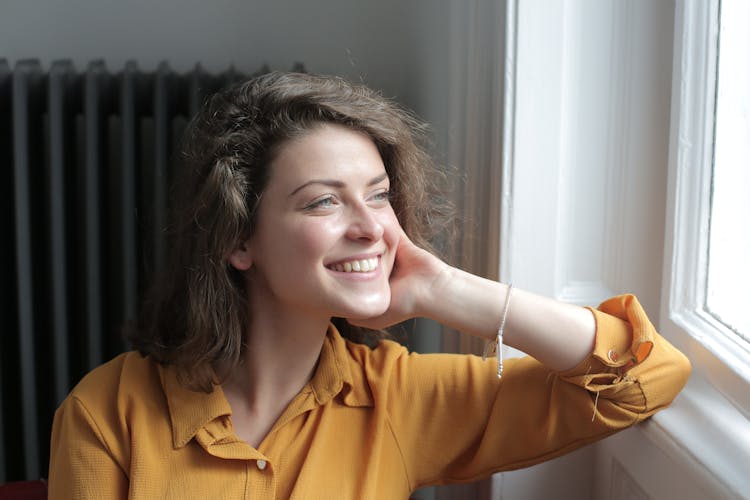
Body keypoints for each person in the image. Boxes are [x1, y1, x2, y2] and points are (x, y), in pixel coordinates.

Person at [48, 72, 691, 499]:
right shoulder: (108, 412)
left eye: (379, 197)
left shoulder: (399, 398)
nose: (370, 228)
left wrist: (446, 290)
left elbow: (646, 377)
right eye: (324, 202)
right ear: (238, 239)